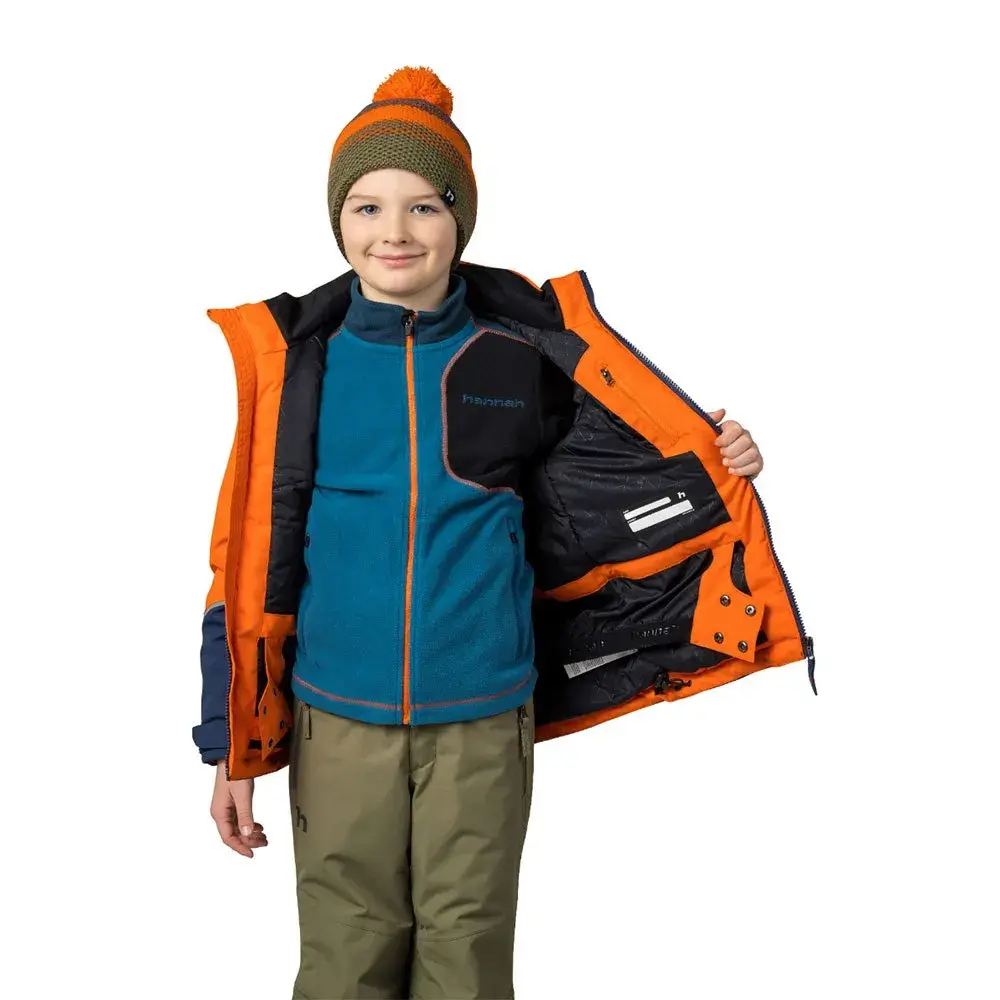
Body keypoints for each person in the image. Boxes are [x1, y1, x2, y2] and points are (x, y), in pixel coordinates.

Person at [195, 65, 769, 999]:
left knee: (466, 955)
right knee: (345, 956)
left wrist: (720, 451)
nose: (394, 232)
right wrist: (231, 740)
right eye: (368, 207)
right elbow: (245, 555)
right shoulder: (298, 368)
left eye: (423, 206)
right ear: (338, 220)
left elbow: (631, 455)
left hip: (484, 714)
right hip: (336, 714)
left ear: (460, 219)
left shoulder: (522, 351)